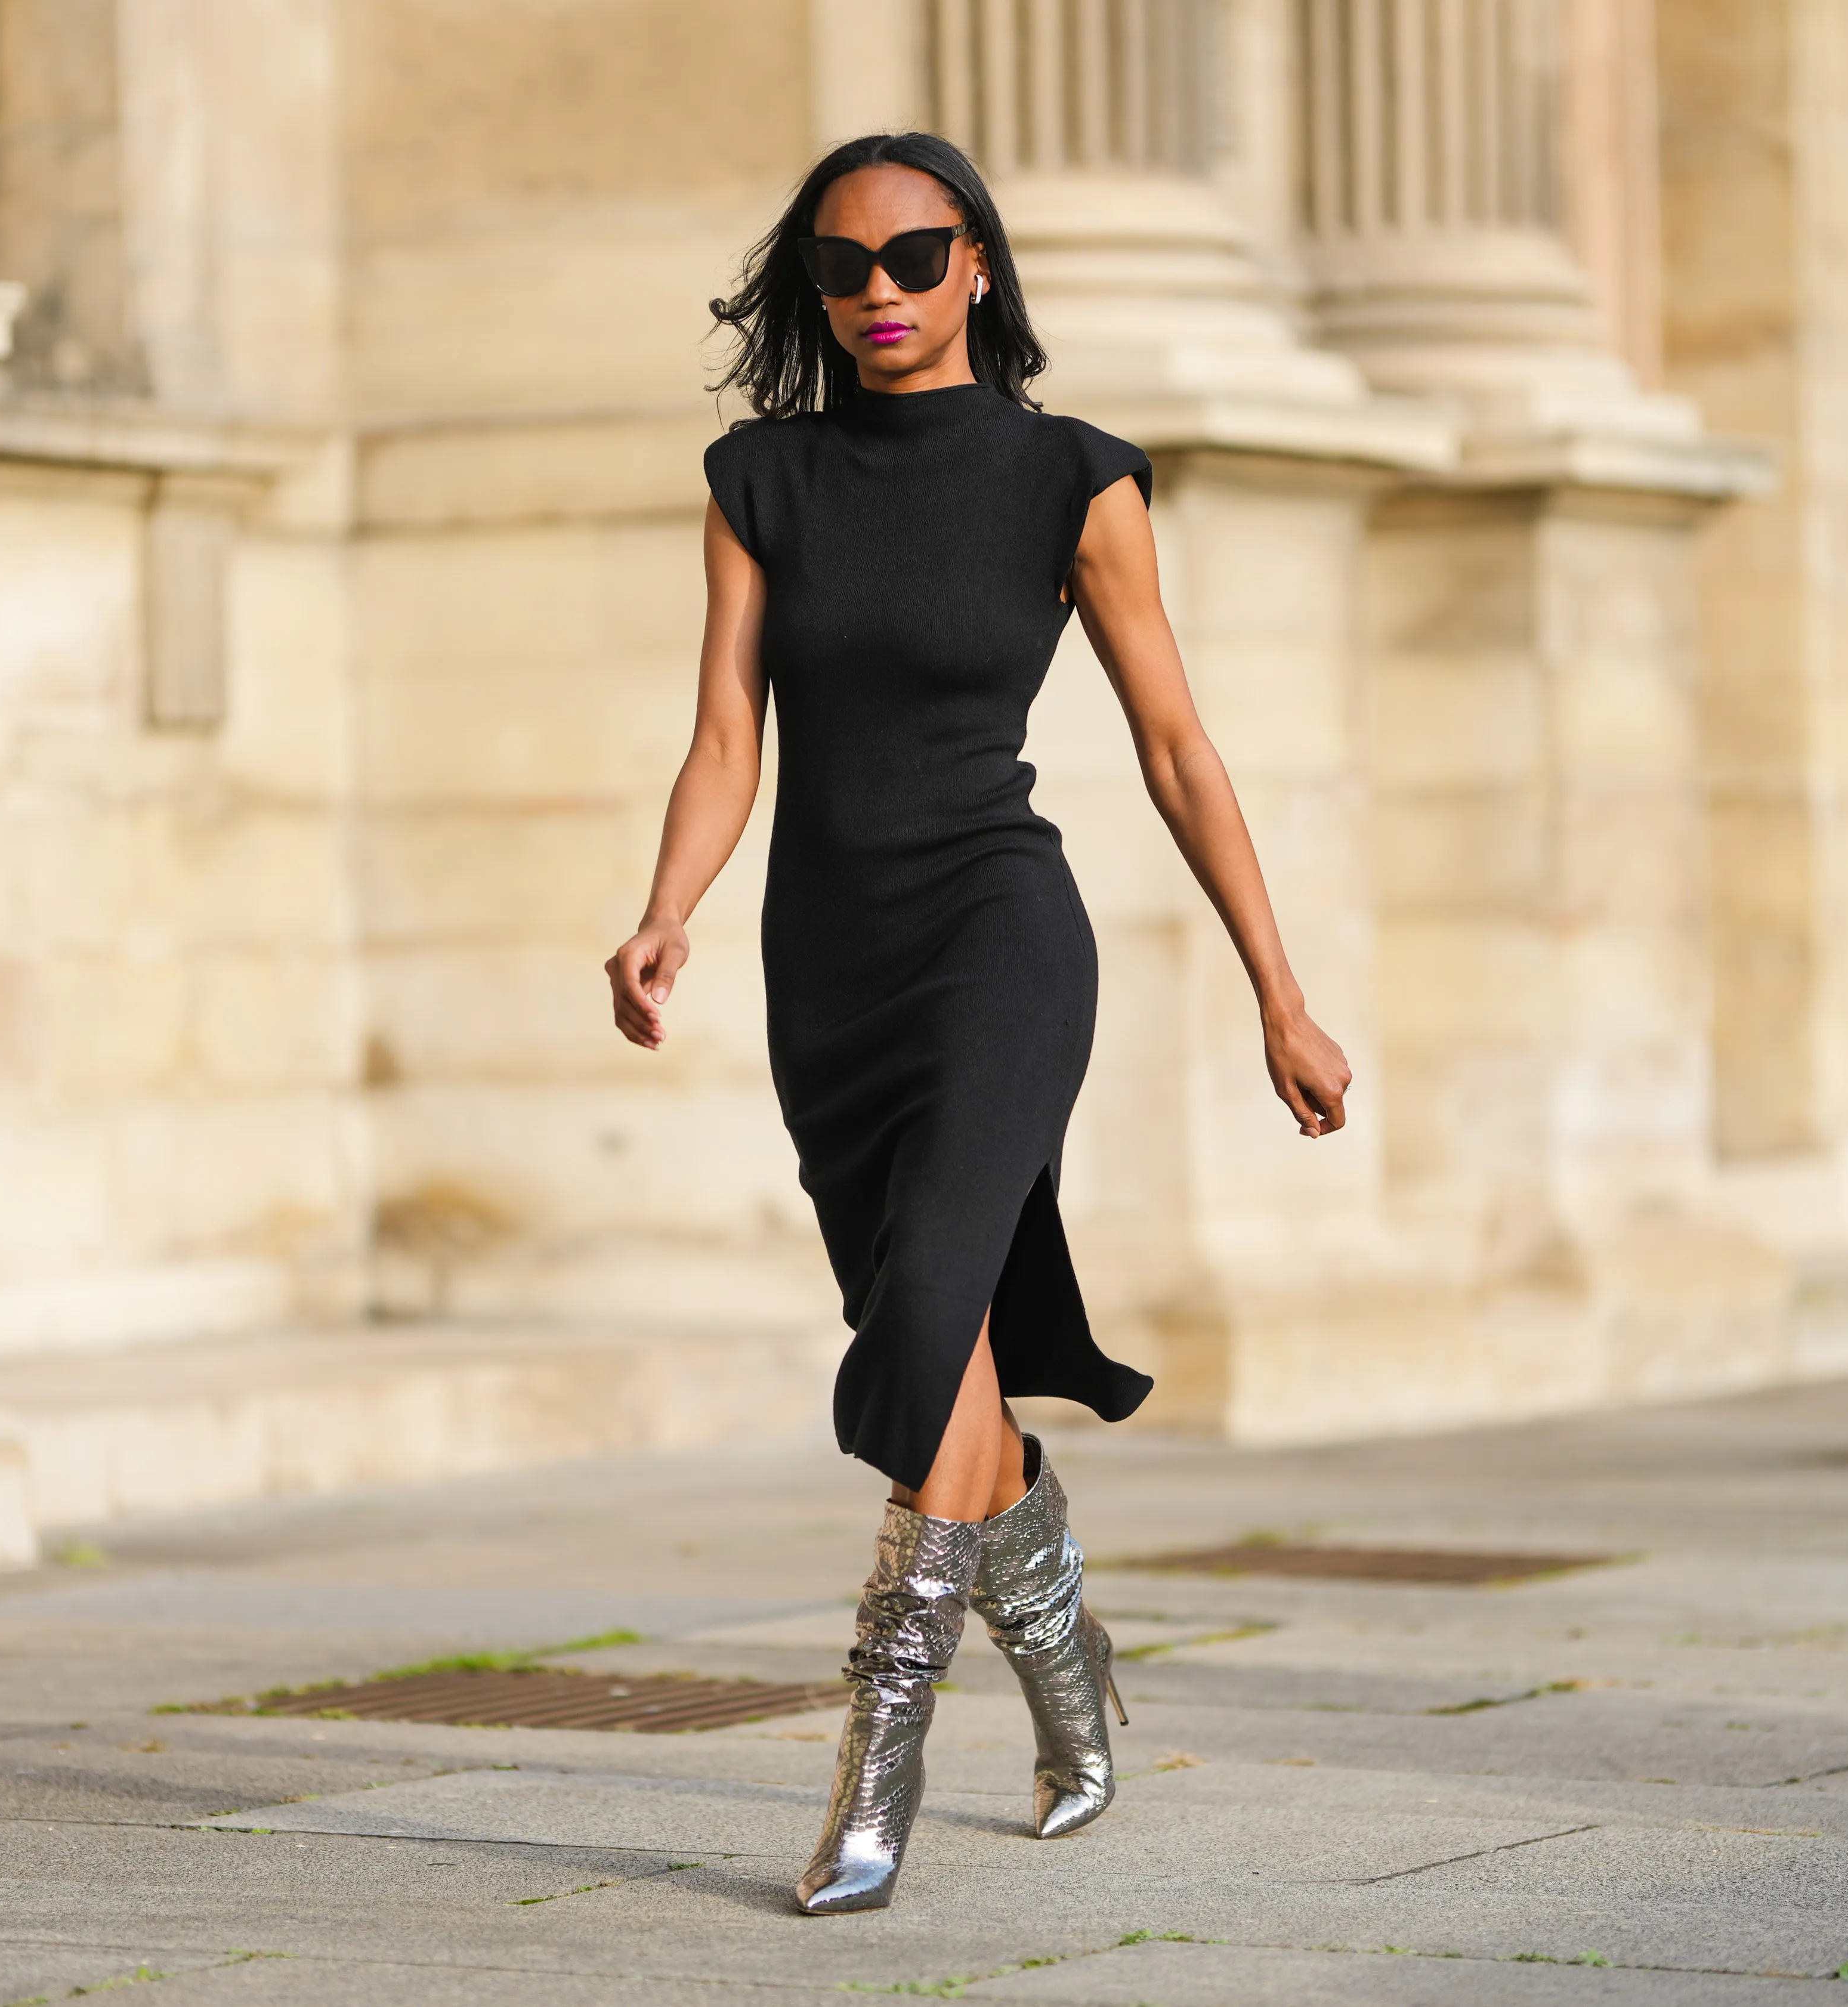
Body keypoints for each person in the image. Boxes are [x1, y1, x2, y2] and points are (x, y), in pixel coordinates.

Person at [603, 131, 1352, 1916]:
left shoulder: (1072, 480)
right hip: (830, 967)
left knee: (939, 1300)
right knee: (937, 1343)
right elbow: (727, 735)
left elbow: (1178, 748)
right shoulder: (762, 479)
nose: (878, 291)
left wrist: (1280, 988)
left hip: (1003, 938)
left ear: (980, 268)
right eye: (841, 267)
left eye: (915, 257)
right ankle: (1067, 1650)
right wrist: (665, 909)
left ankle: (879, 1755)